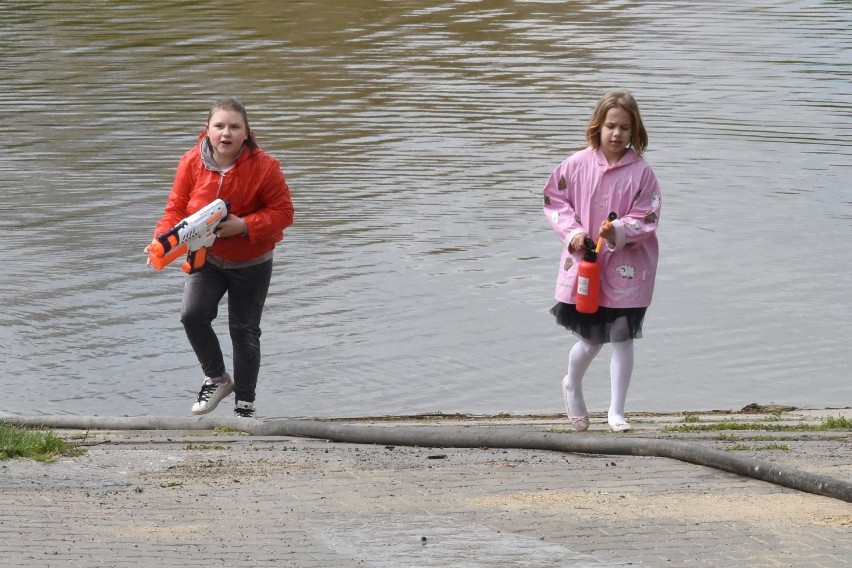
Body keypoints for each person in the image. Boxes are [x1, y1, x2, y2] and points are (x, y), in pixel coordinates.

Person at [147, 96, 295, 418]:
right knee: (192, 315)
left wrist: (245, 225)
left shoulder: (266, 167)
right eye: (219, 126)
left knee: (244, 330)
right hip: (206, 258)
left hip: (253, 261)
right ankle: (217, 378)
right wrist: (160, 240)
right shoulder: (190, 162)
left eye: (234, 127)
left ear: (246, 133)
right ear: (207, 130)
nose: (226, 133)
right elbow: (175, 208)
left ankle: (245, 405)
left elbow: (284, 213)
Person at [542, 90, 661, 433]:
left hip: (628, 268)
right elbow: (554, 200)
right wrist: (573, 232)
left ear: (635, 131)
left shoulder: (642, 173)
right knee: (591, 341)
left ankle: (616, 411)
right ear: (598, 126)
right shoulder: (576, 165)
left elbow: (649, 215)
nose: (617, 134)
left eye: (625, 128)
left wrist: (620, 230)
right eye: (611, 126)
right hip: (587, 267)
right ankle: (571, 385)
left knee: (622, 336)